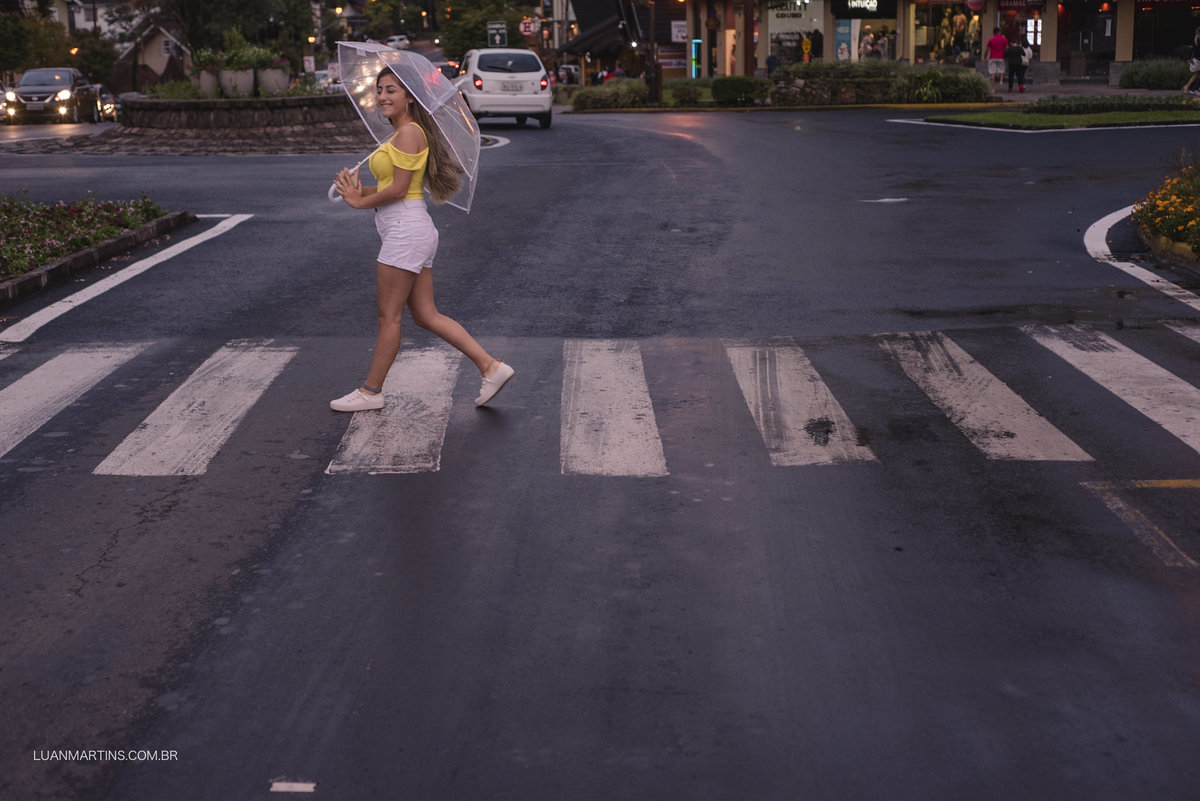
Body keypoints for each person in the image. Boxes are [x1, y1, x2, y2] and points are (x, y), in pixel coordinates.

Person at [330, 68, 514, 413]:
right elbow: (398, 188)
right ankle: (491, 367)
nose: (383, 96)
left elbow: (399, 191)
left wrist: (359, 203)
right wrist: (357, 190)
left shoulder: (409, 134)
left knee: (390, 317)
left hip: (405, 231)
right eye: (380, 90)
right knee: (426, 315)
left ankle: (371, 392)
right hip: (411, 229)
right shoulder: (402, 133)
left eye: (391, 90)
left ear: (410, 97)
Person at [985, 27, 1008, 94]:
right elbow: (1007, 48)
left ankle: (993, 89)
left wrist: (985, 58)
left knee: (992, 73)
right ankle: (1001, 81)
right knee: (1002, 69)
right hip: (1001, 57)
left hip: (992, 57)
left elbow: (987, 50)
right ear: (999, 32)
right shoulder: (1004, 39)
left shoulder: (991, 40)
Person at [1184, 27, 1200, 96]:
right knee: (1197, 75)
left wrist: (1189, 58)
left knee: (1197, 75)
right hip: (1198, 60)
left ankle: (1187, 87)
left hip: (1196, 59)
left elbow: (1192, 50)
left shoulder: (1196, 39)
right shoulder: (1199, 40)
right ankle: (1193, 89)